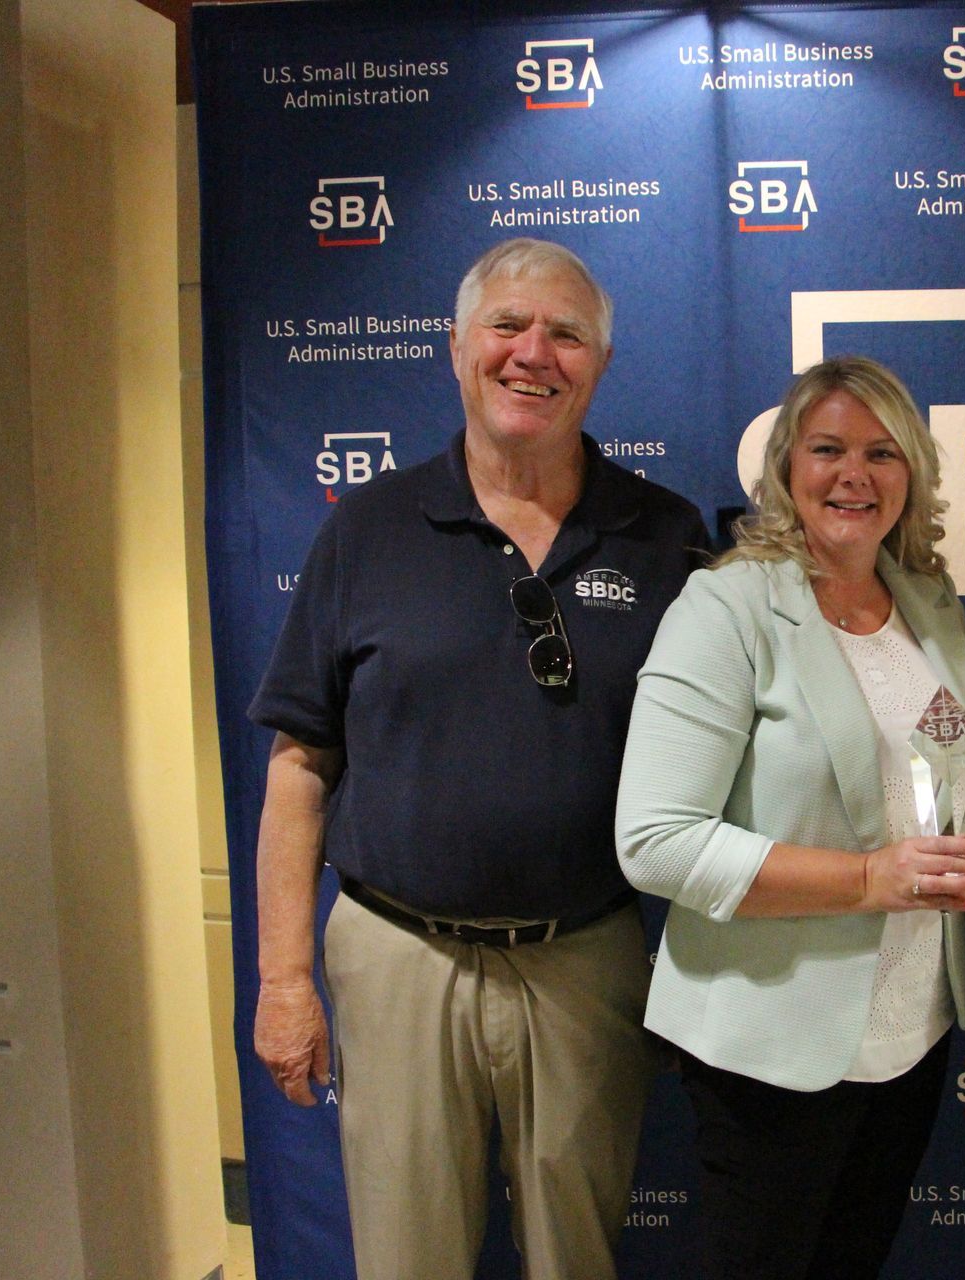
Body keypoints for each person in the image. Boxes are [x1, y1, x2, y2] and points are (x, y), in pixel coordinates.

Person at [247, 237, 708, 1280]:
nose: (531, 353)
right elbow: (298, 766)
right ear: (457, 348)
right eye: (507, 325)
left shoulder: (664, 536)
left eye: (566, 333)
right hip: (398, 955)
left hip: (585, 958)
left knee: (576, 1258)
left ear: (599, 364)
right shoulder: (367, 526)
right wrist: (283, 980)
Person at [614, 356, 965, 1280]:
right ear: (786, 468)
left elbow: (948, 759)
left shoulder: (929, 603)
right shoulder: (728, 607)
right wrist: (872, 878)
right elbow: (656, 840)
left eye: (882, 453)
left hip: (910, 1034)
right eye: (828, 448)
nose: (854, 474)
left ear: (911, 473)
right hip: (772, 1047)